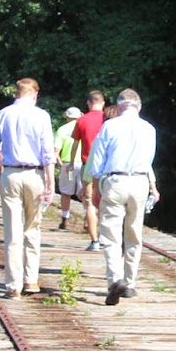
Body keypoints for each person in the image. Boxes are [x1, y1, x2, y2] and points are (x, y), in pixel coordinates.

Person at [85, 88, 158, 306]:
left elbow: (97, 161)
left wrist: (95, 189)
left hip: (115, 181)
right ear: (139, 107)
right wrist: (153, 187)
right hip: (139, 182)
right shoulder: (149, 129)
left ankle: (114, 279)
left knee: (111, 233)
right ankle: (130, 283)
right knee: (134, 233)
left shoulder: (109, 126)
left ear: (118, 107)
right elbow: (148, 160)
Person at [0, 79, 56, 298]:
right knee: (33, 229)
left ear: (16, 93)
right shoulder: (42, 116)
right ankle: (31, 280)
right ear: (35, 94)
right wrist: (50, 183)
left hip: (10, 173)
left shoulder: (4, 114)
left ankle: (13, 285)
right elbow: (47, 153)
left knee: (12, 231)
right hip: (35, 174)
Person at [72, 91, 109, 251]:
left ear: (88, 103)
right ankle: (105, 236)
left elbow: (75, 144)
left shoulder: (81, 120)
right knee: (106, 204)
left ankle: (94, 241)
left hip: (88, 164)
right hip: (108, 169)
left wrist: (72, 162)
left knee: (90, 204)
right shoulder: (109, 119)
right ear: (103, 102)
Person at [53, 106, 83, 229]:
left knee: (66, 192)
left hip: (67, 164)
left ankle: (65, 218)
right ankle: (88, 219)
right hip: (82, 164)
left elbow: (55, 151)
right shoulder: (83, 127)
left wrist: (59, 163)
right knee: (84, 193)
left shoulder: (62, 130)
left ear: (67, 117)